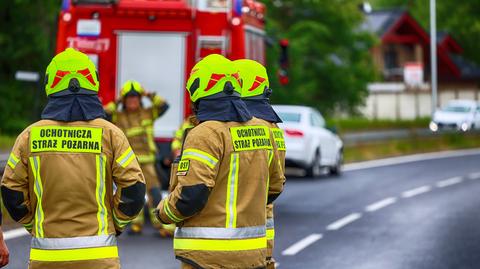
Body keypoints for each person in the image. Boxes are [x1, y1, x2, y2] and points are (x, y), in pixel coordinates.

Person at [1, 48, 146, 269]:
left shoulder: (29, 136)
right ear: (92, 83)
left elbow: (12, 193)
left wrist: (34, 225)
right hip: (99, 257)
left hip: (47, 259)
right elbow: (134, 189)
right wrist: (115, 224)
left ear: (51, 85)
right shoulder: (110, 134)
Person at [156, 54, 285, 269]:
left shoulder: (205, 133)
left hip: (206, 258)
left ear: (199, 91)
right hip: (253, 256)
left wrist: (162, 213)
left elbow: (191, 195)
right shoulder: (263, 130)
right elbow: (274, 187)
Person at [234, 59, 286, 269]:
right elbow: (277, 183)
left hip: (231, 226)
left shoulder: (234, 127)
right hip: (262, 231)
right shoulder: (274, 129)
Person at [104, 80, 173, 236]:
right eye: (129, 99)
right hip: (129, 161)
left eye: (136, 98)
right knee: (133, 192)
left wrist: (148, 94)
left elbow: (164, 106)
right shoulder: (118, 116)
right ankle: (136, 224)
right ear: (124, 101)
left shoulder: (148, 112)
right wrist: (117, 101)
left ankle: (162, 225)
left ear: (140, 99)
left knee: (155, 193)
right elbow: (105, 114)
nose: (132, 101)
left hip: (148, 161)